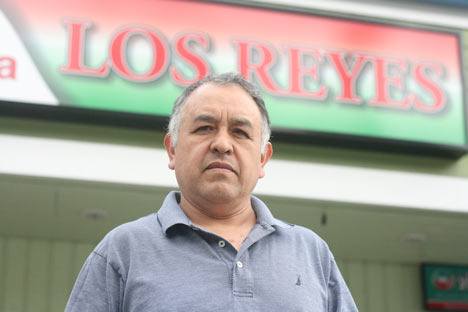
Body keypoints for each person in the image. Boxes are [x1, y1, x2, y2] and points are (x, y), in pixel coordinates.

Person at [65, 73, 358, 312]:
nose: (222, 144)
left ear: (262, 159)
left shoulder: (310, 252)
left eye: (240, 133)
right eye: (205, 128)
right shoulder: (122, 251)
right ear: (172, 149)